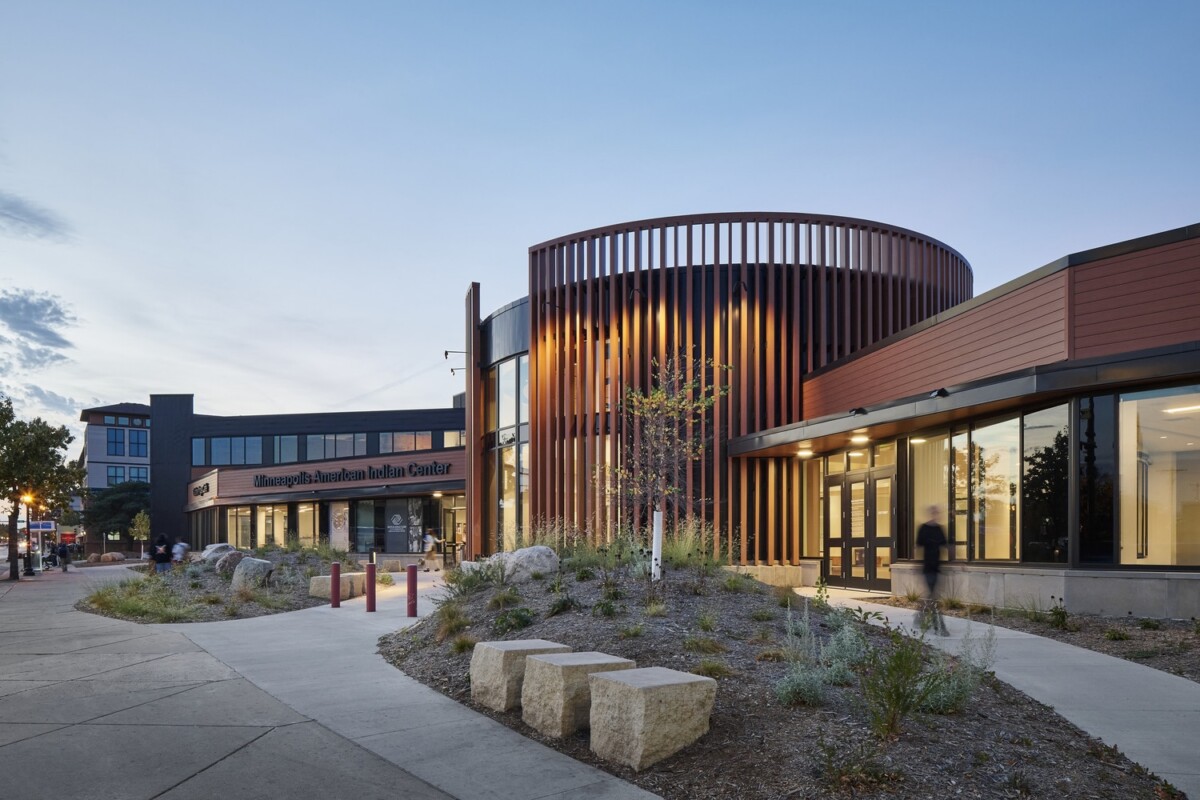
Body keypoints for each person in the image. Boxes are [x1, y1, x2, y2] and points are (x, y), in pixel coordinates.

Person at [915, 505, 949, 635]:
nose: (937, 514)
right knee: (934, 598)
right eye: (935, 512)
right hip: (927, 567)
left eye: (938, 512)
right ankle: (939, 627)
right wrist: (915, 566)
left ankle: (920, 615)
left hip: (937, 567)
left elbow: (945, 545)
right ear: (930, 513)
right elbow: (917, 546)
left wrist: (959, 561)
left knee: (931, 596)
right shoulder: (923, 528)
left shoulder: (940, 529)